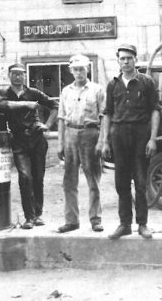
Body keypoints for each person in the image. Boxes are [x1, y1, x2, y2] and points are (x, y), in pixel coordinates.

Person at [101, 43, 160, 239]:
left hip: (141, 135)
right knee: (121, 182)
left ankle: (142, 224)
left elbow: (155, 111)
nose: (126, 62)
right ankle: (124, 224)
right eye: (122, 59)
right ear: (118, 61)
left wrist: (152, 139)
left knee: (141, 182)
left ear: (135, 60)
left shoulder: (147, 82)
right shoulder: (113, 84)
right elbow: (108, 114)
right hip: (119, 135)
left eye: (129, 58)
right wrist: (105, 141)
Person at [0, 63, 58, 229]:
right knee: (25, 177)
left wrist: (47, 125)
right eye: (15, 74)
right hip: (18, 141)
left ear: (25, 76)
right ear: (9, 75)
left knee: (38, 177)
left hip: (37, 139)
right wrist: (26, 104)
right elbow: (2, 106)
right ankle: (29, 217)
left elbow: (54, 106)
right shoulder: (4, 93)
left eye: (21, 74)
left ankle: (38, 215)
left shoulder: (33, 92)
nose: (18, 77)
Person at [56, 54, 106, 233]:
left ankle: (95, 219)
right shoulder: (66, 91)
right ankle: (71, 220)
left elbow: (104, 116)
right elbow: (61, 118)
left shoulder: (97, 90)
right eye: (75, 69)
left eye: (82, 69)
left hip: (90, 133)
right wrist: (60, 142)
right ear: (71, 71)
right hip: (70, 133)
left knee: (93, 178)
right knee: (69, 180)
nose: (79, 73)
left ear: (88, 70)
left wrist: (102, 140)